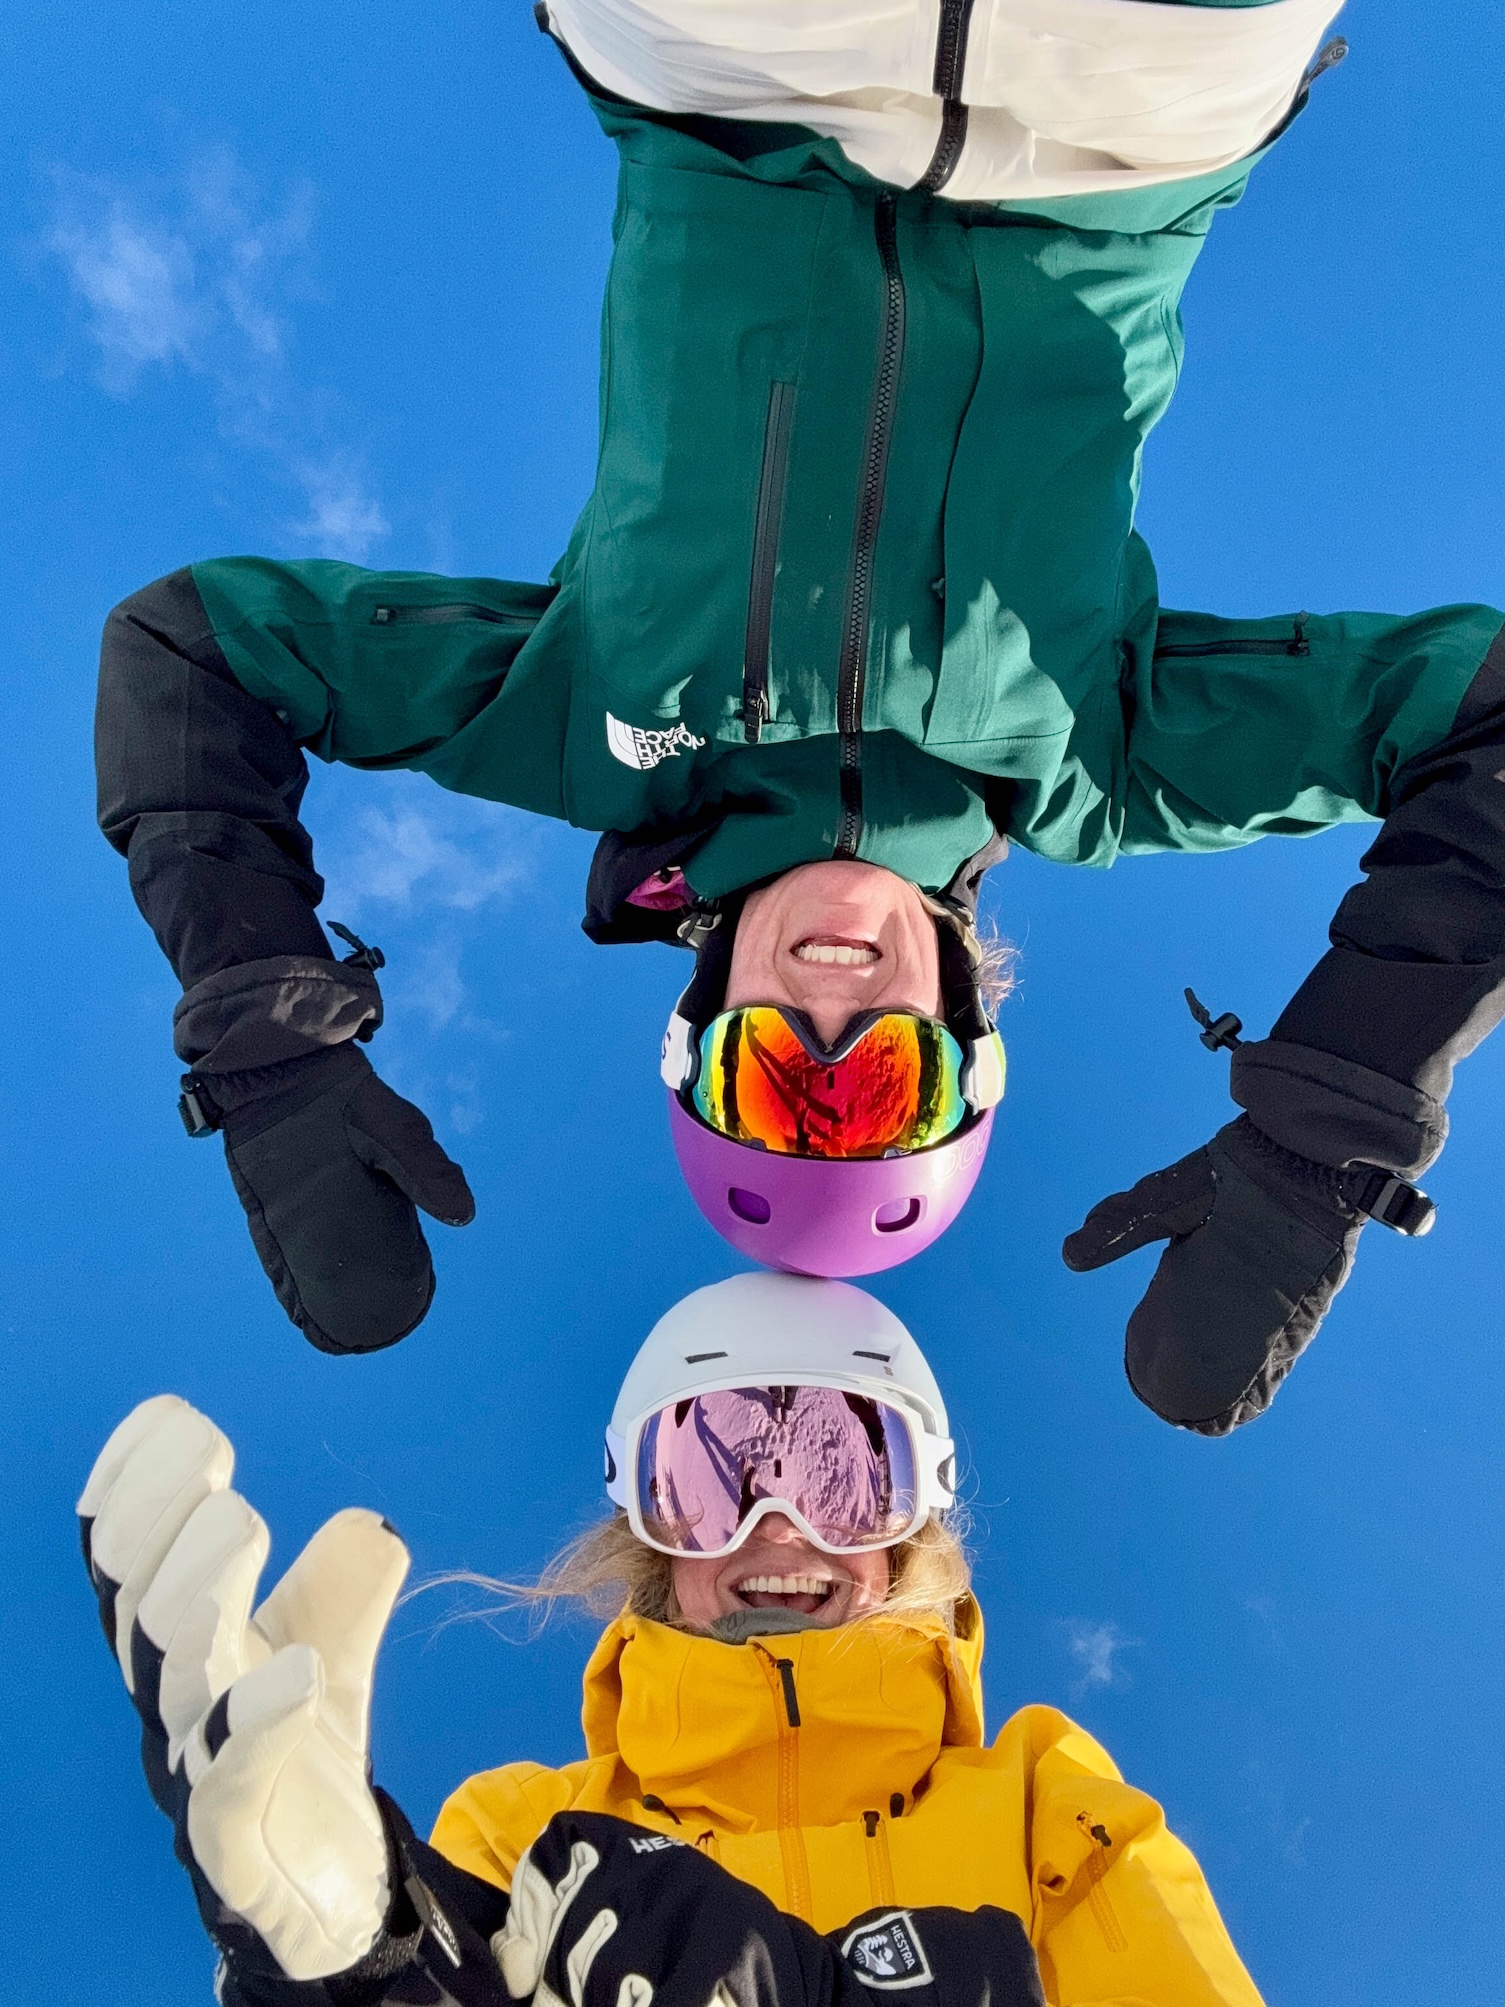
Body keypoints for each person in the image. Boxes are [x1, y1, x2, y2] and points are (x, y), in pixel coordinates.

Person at [95, 1, 1503, 1427]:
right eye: (882, 1078)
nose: (833, 1007)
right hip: (1125, 119)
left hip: (736, 76)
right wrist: (1325, 1132)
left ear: (702, 1016)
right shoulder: (1104, 762)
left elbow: (193, 650)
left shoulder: (581, 729)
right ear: (963, 1025)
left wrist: (272, 1049)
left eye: (774, 1072)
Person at [79, 1272, 1273, 2007]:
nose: (776, 1527)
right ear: (648, 1539)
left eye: (844, 1476)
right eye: (708, 1480)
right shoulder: (528, 1826)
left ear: (916, 1529)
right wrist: (358, 1969)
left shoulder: (1036, 1798)